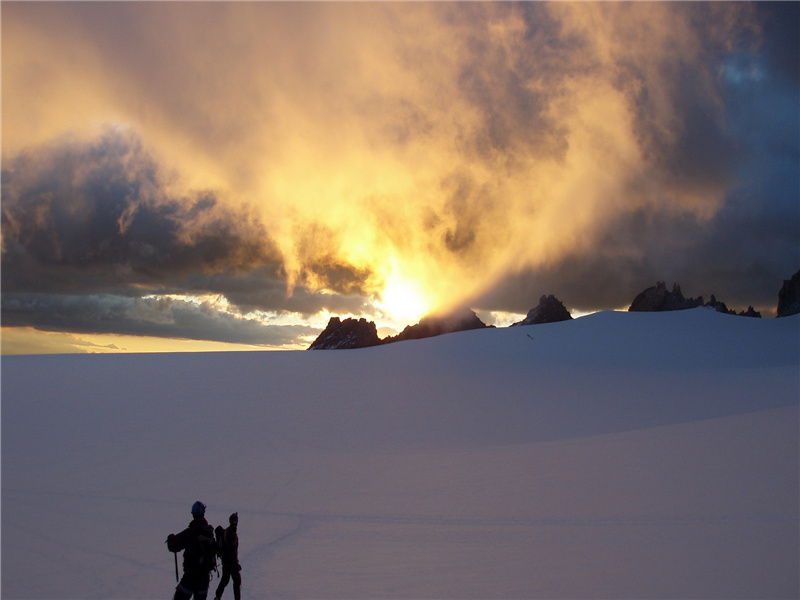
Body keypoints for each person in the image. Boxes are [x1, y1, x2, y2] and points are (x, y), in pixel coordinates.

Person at [166, 501, 217, 600]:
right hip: (204, 578)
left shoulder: (190, 532)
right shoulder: (209, 532)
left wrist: (171, 538)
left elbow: (173, 546)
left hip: (190, 577)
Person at [214, 512, 242, 600]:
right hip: (230, 563)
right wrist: (235, 564)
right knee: (234, 581)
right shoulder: (230, 533)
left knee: (226, 580)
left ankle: (217, 597)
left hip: (228, 562)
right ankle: (218, 597)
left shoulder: (229, 532)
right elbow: (230, 550)